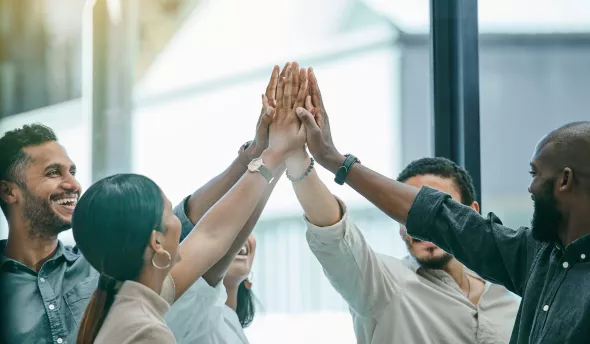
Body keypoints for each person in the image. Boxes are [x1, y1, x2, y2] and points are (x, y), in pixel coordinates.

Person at [0, 61, 300, 343]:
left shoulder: (120, 289)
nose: (71, 183)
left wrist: (265, 154)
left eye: (73, 172)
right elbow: (208, 233)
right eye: (53, 173)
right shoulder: (141, 324)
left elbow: (213, 235)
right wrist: (272, 157)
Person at [293, 67, 590, 343]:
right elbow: (433, 217)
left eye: (535, 174)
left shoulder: (508, 289)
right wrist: (327, 160)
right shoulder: (536, 257)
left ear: (564, 181)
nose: (530, 187)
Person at [286, 129, 519, 342]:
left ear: (472, 214)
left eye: (436, 215)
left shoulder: (510, 296)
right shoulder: (382, 285)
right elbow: (335, 234)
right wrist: (296, 156)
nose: (424, 225)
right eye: (412, 214)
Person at [166, 62, 308, 344]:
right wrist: (275, 154)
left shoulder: (228, 321)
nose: (179, 225)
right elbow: (212, 234)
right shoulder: (167, 307)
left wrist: (276, 152)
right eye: (167, 221)